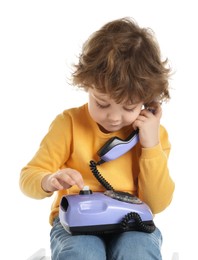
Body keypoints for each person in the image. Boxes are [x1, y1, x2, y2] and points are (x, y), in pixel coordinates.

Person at [20, 17, 175, 260]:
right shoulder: (68, 124)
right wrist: (48, 180)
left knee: (137, 252)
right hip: (78, 224)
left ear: (148, 101)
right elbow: (28, 176)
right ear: (87, 85)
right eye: (102, 103)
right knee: (84, 253)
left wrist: (150, 146)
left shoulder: (153, 136)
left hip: (132, 224)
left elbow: (157, 204)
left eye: (129, 107)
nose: (114, 118)